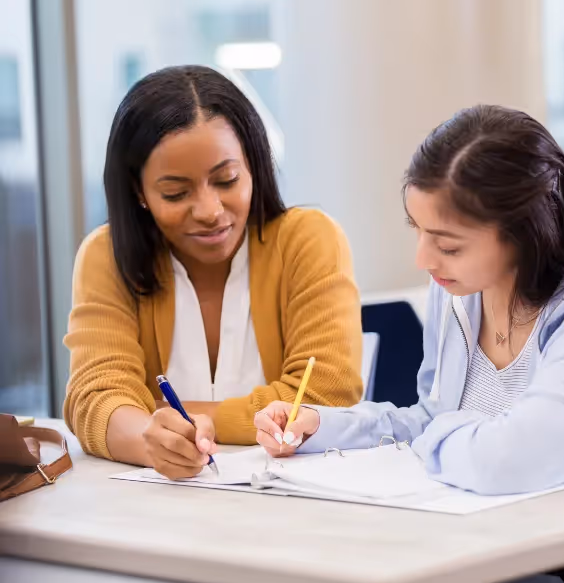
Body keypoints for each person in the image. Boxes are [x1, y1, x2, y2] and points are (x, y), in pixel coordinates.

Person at [253, 105, 564, 583]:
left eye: (448, 245)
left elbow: (513, 458)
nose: (422, 259)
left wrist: (440, 437)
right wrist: (325, 426)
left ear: (526, 230)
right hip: (486, 559)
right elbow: (435, 419)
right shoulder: (459, 292)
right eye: (417, 230)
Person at [63, 65, 363, 480]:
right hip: (149, 508)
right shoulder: (106, 255)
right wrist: (152, 442)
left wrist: (169, 414)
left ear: (254, 165)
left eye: (227, 179)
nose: (209, 211)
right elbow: (95, 399)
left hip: (292, 507)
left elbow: (327, 395)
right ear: (139, 191)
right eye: (175, 192)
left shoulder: (308, 240)